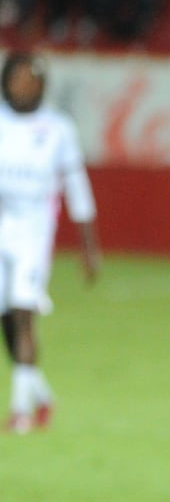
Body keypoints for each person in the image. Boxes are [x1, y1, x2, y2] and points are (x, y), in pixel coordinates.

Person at [0, 51, 100, 434]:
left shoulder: (57, 128)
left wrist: (89, 246)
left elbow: (76, 185)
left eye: (29, 80)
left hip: (32, 231)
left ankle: (20, 411)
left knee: (24, 314)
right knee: (7, 321)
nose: (21, 87)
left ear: (42, 85)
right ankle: (41, 396)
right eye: (15, 79)